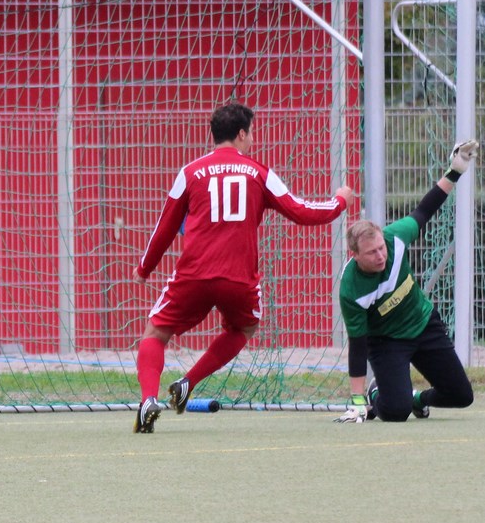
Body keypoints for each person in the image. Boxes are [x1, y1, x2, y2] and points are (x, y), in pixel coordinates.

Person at [133, 102, 353, 433]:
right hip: (239, 279)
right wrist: (340, 201)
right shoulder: (259, 172)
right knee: (242, 330)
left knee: (156, 334)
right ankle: (187, 383)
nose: (252, 140)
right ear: (240, 134)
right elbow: (301, 211)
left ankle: (148, 400)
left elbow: (164, 227)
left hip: (193, 275)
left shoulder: (190, 172)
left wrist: (145, 268)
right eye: (250, 133)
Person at [334, 140, 479, 424]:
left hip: (423, 324)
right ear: (355, 255)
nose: (380, 256)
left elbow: (426, 208)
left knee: (461, 396)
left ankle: (418, 399)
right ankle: (378, 395)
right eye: (371, 253)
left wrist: (455, 171)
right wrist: (357, 400)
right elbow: (358, 344)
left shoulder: (396, 237)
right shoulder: (351, 289)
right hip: (387, 342)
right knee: (395, 412)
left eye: (380, 248)